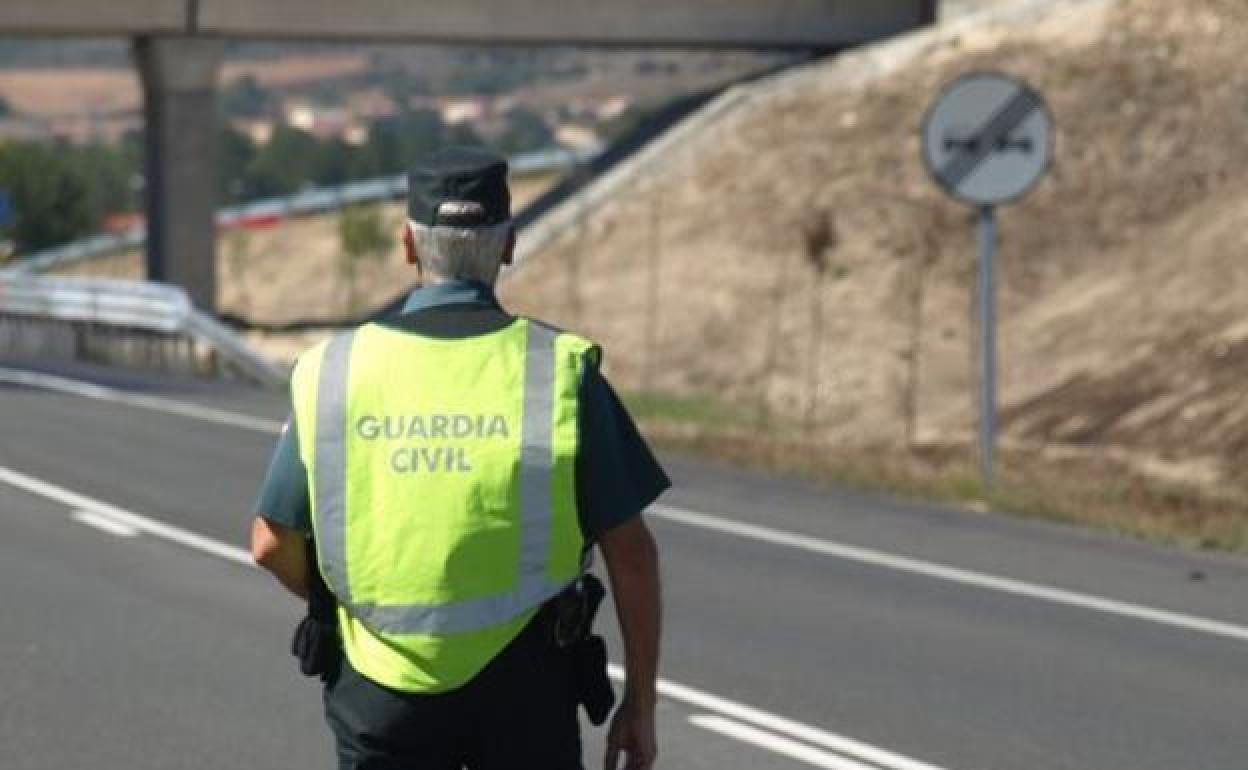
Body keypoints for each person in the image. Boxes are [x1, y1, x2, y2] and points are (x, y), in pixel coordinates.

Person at [250, 146, 668, 770]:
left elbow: (268, 543)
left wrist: (347, 609)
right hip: (527, 690)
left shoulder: (333, 371)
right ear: (508, 246)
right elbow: (631, 553)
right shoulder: (559, 370)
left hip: (378, 692)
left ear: (409, 247)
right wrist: (639, 704)